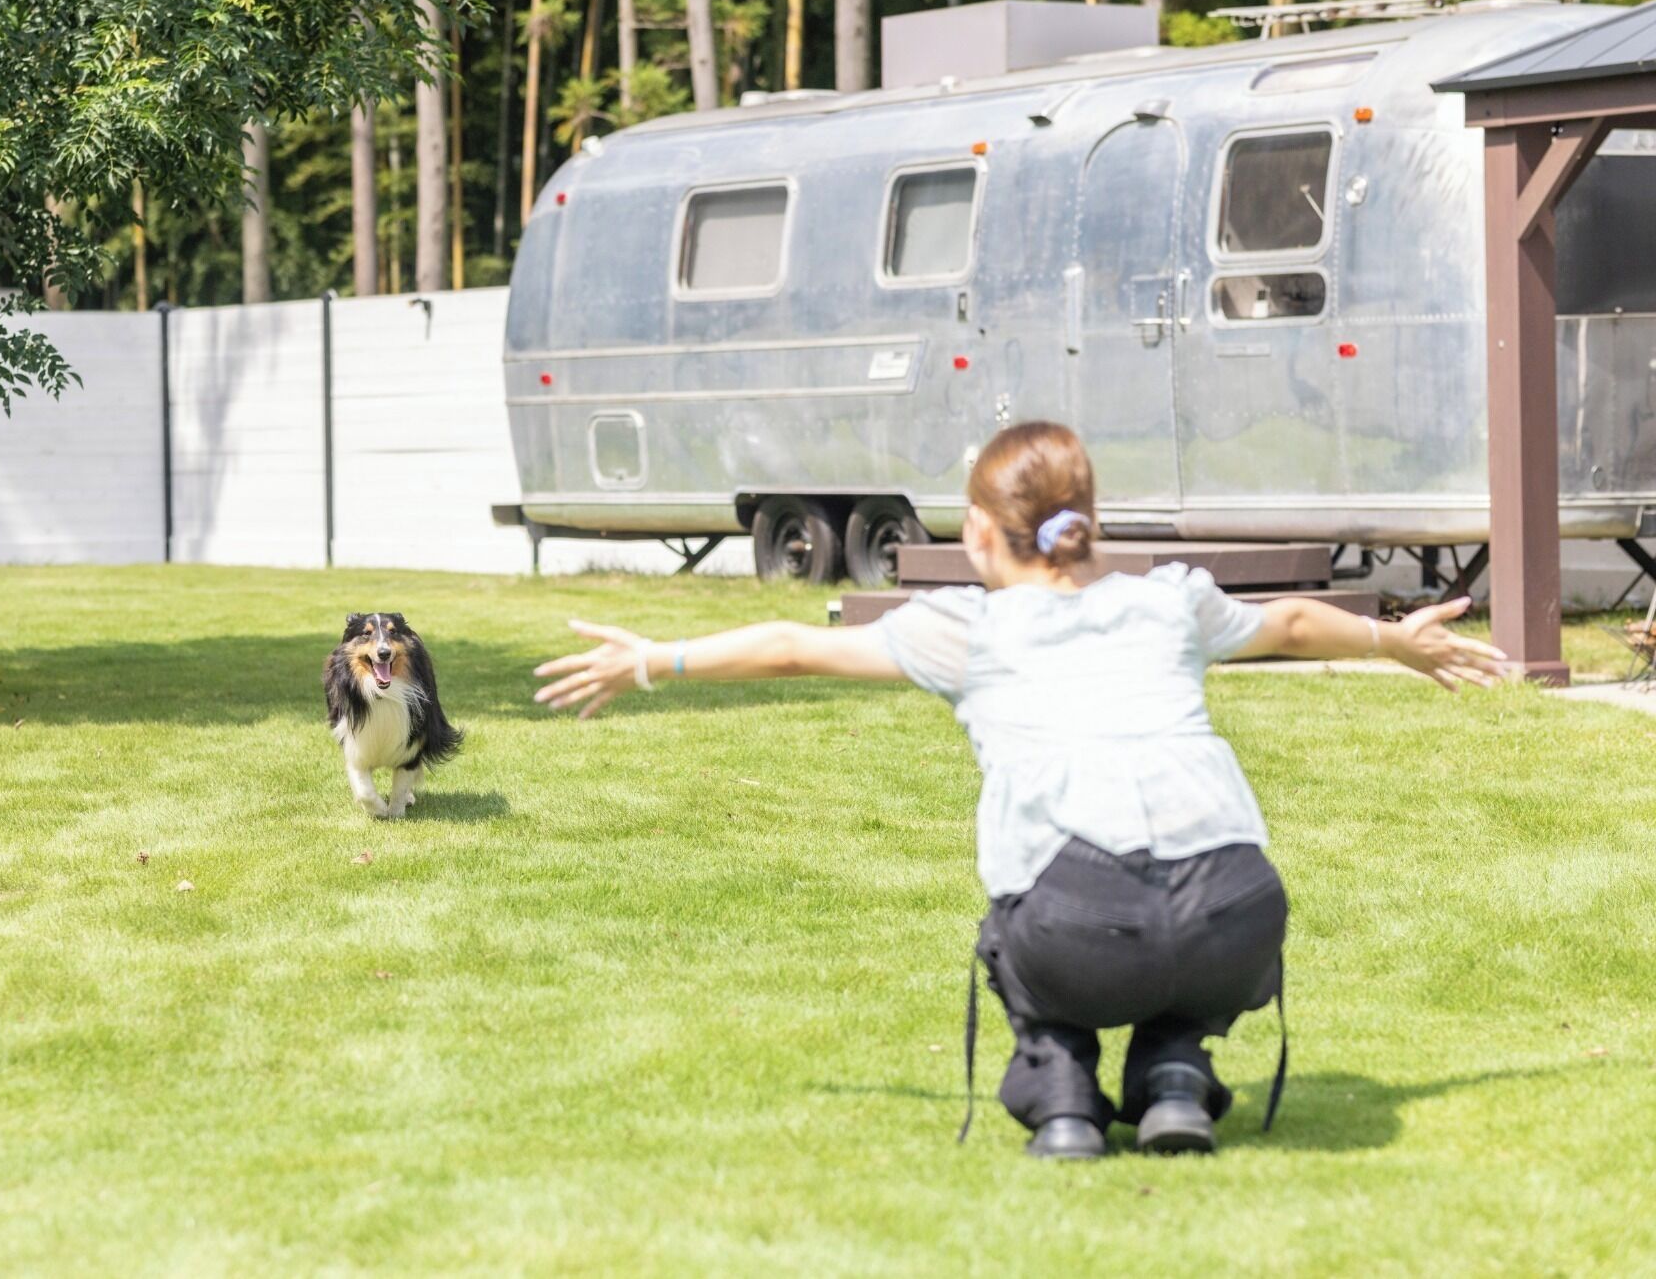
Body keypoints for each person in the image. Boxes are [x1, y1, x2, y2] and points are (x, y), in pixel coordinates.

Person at [533, 421, 1506, 1159]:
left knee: (1019, 915)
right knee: (1177, 902)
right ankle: (1172, 1073)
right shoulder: (1167, 598)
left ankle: (1064, 1096)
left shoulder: (966, 627)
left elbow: (791, 644)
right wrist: (1394, 639)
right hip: (1234, 918)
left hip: (1080, 934)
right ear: (1086, 525)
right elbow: (1292, 622)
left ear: (989, 540)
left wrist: (654, 660)